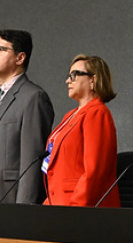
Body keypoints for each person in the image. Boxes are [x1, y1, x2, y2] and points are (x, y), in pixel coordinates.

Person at [0, 30, 54, 204]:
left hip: (11, 198)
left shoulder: (33, 97)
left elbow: (31, 162)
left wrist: (23, 210)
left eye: (2, 49)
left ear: (20, 58)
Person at [42, 54, 120, 207]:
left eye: (74, 75)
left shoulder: (97, 113)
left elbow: (94, 171)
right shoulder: (70, 116)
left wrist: (75, 209)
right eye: (68, 75)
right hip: (56, 203)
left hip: (79, 207)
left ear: (93, 79)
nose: (68, 81)